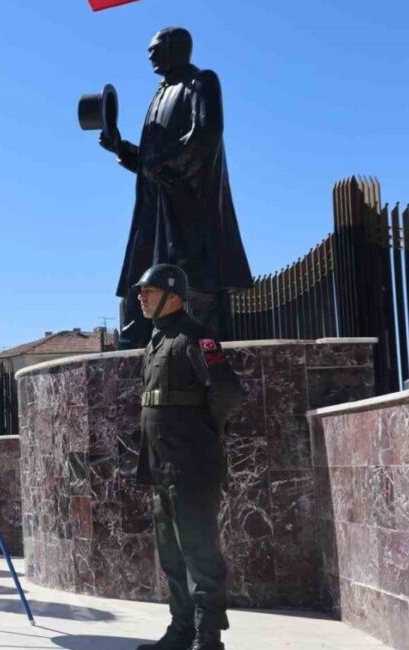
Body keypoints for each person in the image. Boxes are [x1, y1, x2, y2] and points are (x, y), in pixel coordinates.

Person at [99, 27, 252, 348]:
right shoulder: (159, 94)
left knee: (196, 285)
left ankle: (205, 348)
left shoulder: (201, 82)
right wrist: (120, 147)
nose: (150, 54)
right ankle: (133, 349)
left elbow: (206, 134)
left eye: (155, 47)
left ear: (175, 47)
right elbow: (150, 164)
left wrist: (162, 163)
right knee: (139, 278)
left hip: (188, 209)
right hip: (152, 212)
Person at [132, 264, 243, 650]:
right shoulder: (157, 341)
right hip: (162, 468)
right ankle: (180, 631)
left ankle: (206, 638)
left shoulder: (196, 338)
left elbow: (227, 392)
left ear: (173, 295)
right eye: (141, 291)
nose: (141, 297)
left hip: (191, 466)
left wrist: (203, 434)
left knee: (199, 555)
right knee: (172, 557)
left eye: (149, 290)